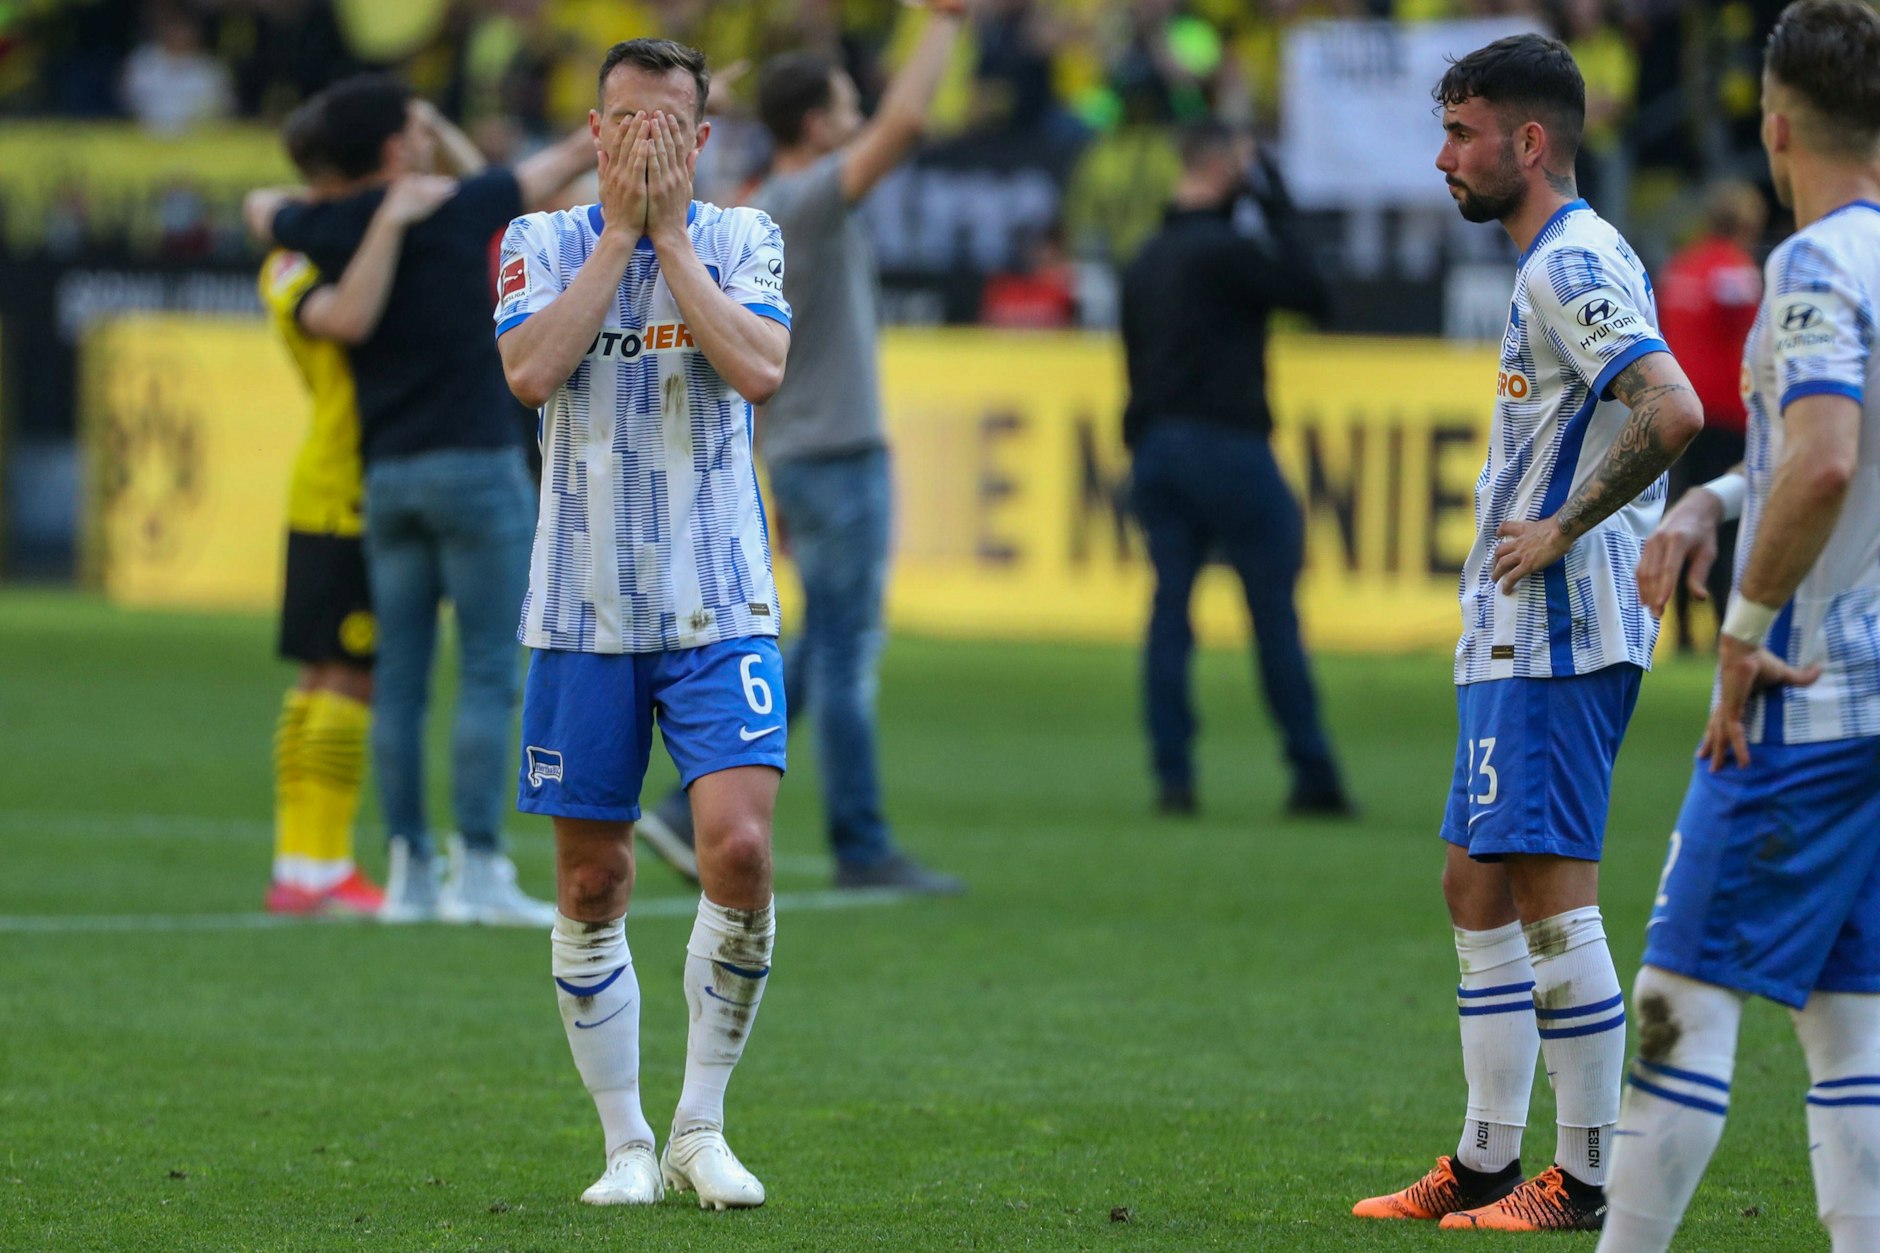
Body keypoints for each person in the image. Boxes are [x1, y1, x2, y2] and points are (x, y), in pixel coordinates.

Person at [1352, 34, 1704, 1232]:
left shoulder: (1572, 262)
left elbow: (1673, 408)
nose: (1441, 157)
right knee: (1472, 880)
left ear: (1528, 142)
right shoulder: (1550, 262)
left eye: (1460, 134)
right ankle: (1486, 1154)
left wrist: (1558, 523)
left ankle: (1587, 1173)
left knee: (1552, 892)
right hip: (1510, 632)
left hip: (1559, 630)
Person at [1599, 4, 1880, 1249]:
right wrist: (1717, 494)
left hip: (1806, 687)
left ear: (1772, 123)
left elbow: (1822, 463)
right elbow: (1819, 451)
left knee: (1675, 995)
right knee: (1848, 1018)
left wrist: (1738, 629)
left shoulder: (1812, 265)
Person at [494, 38, 791, 1209]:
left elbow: (760, 366)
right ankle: (624, 1143)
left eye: (672, 127)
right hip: (578, 606)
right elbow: (530, 372)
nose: (649, 144)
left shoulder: (742, 237)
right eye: (629, 124)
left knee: (740, 848)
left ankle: (700, 1125)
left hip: (720, 595)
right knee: (589, 882)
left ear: (702, 140)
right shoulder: (538, 242)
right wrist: (618, 230)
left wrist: (666, 232)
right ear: (595, 127)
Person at [632, 7, 971, 894]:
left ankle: (679, 804)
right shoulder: (807, 198)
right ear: (817, 126)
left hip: (805, 450)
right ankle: (862, 844)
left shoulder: (758, 208)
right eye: (844, 104)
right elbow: (906, 126)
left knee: (824, 644)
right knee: (850, 649)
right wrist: (944, 22)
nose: (858, 116)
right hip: (841, 450)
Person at [247, 75, 594, 926]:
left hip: (385, 476)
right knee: (479, 672)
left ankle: (395, 867)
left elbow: (265, 207)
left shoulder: (320, 229)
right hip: (459, 468)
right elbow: (554, 167)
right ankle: (467, 866)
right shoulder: (449, 210)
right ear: (400, 146)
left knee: (391, 679)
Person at [1119, 121, 1352, 819]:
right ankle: (1312, 772)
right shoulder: (1229, 252)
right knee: (1273, 615)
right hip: (1231, 447)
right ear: (1226, 171)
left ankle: (1173, 774)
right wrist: (1278, 207)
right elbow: (1316, 295)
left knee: (1169, 612)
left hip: (1156, 448)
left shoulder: (1144, 258)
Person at [260, 100, 459, 917]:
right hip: (349, 484)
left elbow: (471, 188)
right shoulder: (316, 261)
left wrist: (430, 130)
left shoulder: (290, 253)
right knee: (348, 677)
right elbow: (349, 320)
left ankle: (302, 863)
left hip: (327, 479)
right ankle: (320, 865)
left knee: (320, 679)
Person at [1656, 180, 1766, 651]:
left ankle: (1680, 631)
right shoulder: (1736, 272)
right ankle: (1726, 624)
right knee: (1726, 521)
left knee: (1682, 513)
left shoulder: (1679, 269)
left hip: (1678, 412)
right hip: (1727, 415)